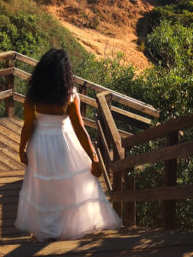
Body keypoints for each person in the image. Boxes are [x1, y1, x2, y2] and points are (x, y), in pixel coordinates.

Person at [15, 48, 121, 241]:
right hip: (64, 143)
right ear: (65, 72)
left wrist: (21, 149)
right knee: (66, 187)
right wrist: (94, 157)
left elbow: (28, 125)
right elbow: (80, 129)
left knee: (43, 188)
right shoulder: (70, 95)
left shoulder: (33, 95)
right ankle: (65, 227)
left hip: (40, 145)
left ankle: (46, 230)